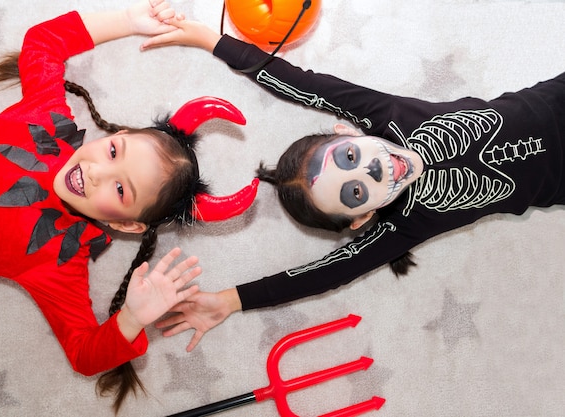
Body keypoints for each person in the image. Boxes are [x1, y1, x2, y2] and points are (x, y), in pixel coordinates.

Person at [142, 17, 565, 351]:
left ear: (351, 132)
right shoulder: (405, 224)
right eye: (356, 192)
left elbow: (301, 83)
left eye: (350, 157)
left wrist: (209, 40)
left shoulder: (387, 116)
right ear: (363, 217)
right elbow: (325, 274)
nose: (373, 170)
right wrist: (230, 300)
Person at [0, 1, 257, 413]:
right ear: (117, 134)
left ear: (126, 226)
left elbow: (85, 354)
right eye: (112, 151)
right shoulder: (45, 118)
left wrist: (133, 317)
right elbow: (44, 43)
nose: (95, 172)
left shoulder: (56, 261)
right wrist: (128, 21)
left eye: (121, 190)